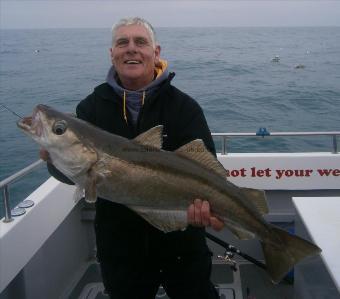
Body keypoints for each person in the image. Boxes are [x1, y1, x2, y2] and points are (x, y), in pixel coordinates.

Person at [41, 17, 224, 299]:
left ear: (156, 52)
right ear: (111, 54)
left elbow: (207, 167)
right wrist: (54, 160)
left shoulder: (183, 107)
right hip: (120, 246)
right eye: (122, 42)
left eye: (140, 42)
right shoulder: (90, 108)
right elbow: (76, 173)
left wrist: (203, 209)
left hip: (182, 243)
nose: (131, 48)